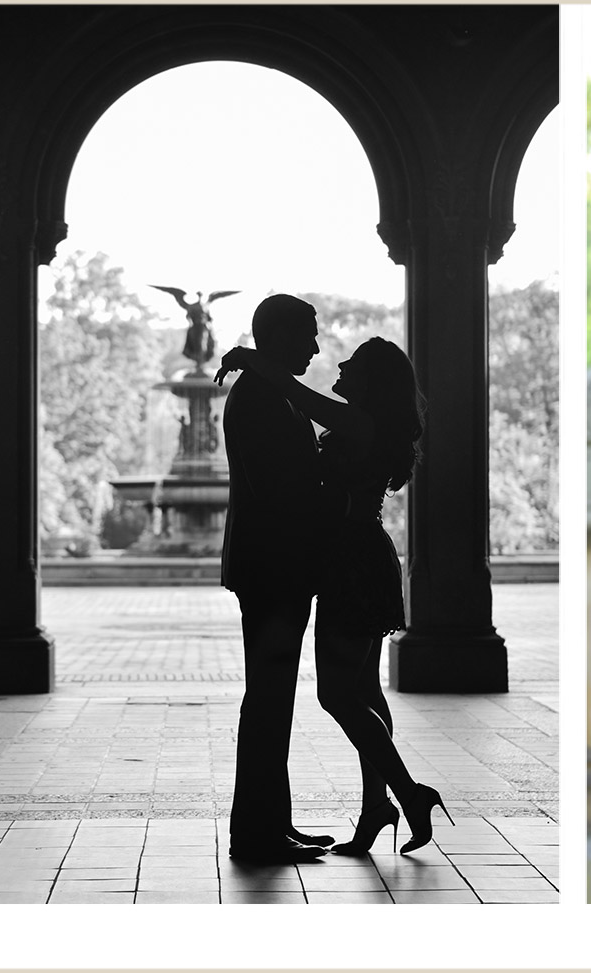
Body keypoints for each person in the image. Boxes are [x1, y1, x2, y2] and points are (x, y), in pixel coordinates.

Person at [216, 334, 451, 857]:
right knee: (364, 692)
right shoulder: (366, 423)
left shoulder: (358, 422)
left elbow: (298, 397)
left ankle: (409, 795)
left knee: (336, 695)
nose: (336, 360)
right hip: (358, 559)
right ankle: (376, 806)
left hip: (352, 564)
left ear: (371, 382)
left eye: (353, 363)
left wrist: (253, 358)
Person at [219, 293, 332, 863]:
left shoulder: (265, 391)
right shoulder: (262, 397)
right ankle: (258, 832)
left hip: (271, 565)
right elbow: (279, 490)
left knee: (271, 698)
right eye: (307, 334)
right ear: (279, 336)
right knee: (268, 698)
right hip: (274, 566)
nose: (315, 346)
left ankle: (270, 824)